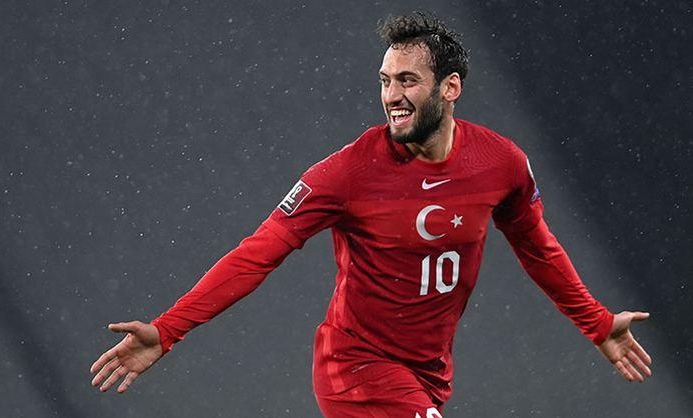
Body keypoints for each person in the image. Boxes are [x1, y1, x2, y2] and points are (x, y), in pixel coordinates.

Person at [90, 12, 652, 417]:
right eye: (385, 81)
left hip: (428, 373)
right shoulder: (346, 173)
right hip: (355, 367)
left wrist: (597, 323)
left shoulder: (501, 163)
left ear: (450, 87)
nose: (392, 96)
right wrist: (168, 329)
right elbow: (257, 254)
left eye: (408, 80)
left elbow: (538, 249)